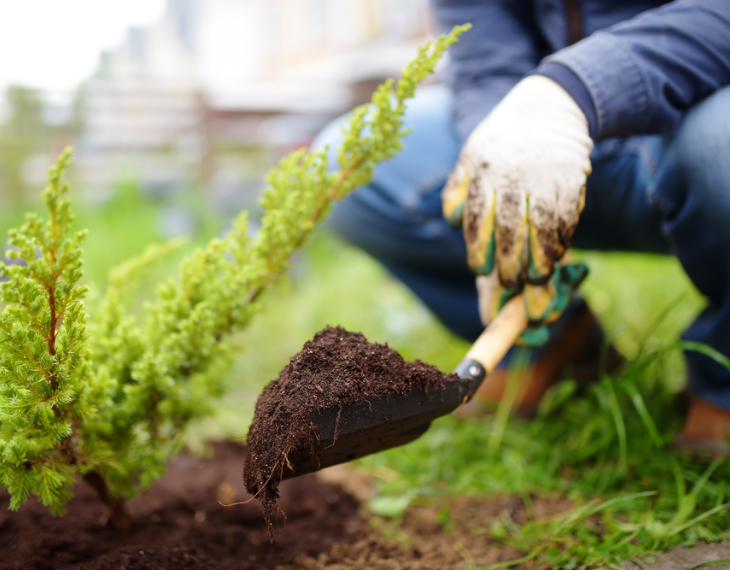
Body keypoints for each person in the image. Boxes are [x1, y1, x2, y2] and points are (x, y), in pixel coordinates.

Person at [313, 0, 730, 450]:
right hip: (546, 129)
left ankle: (722, 379)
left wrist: (574, 89)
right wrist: (504, 165)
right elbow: (486, 64)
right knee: (346, 163)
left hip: (696, 115)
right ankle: (551, 341)